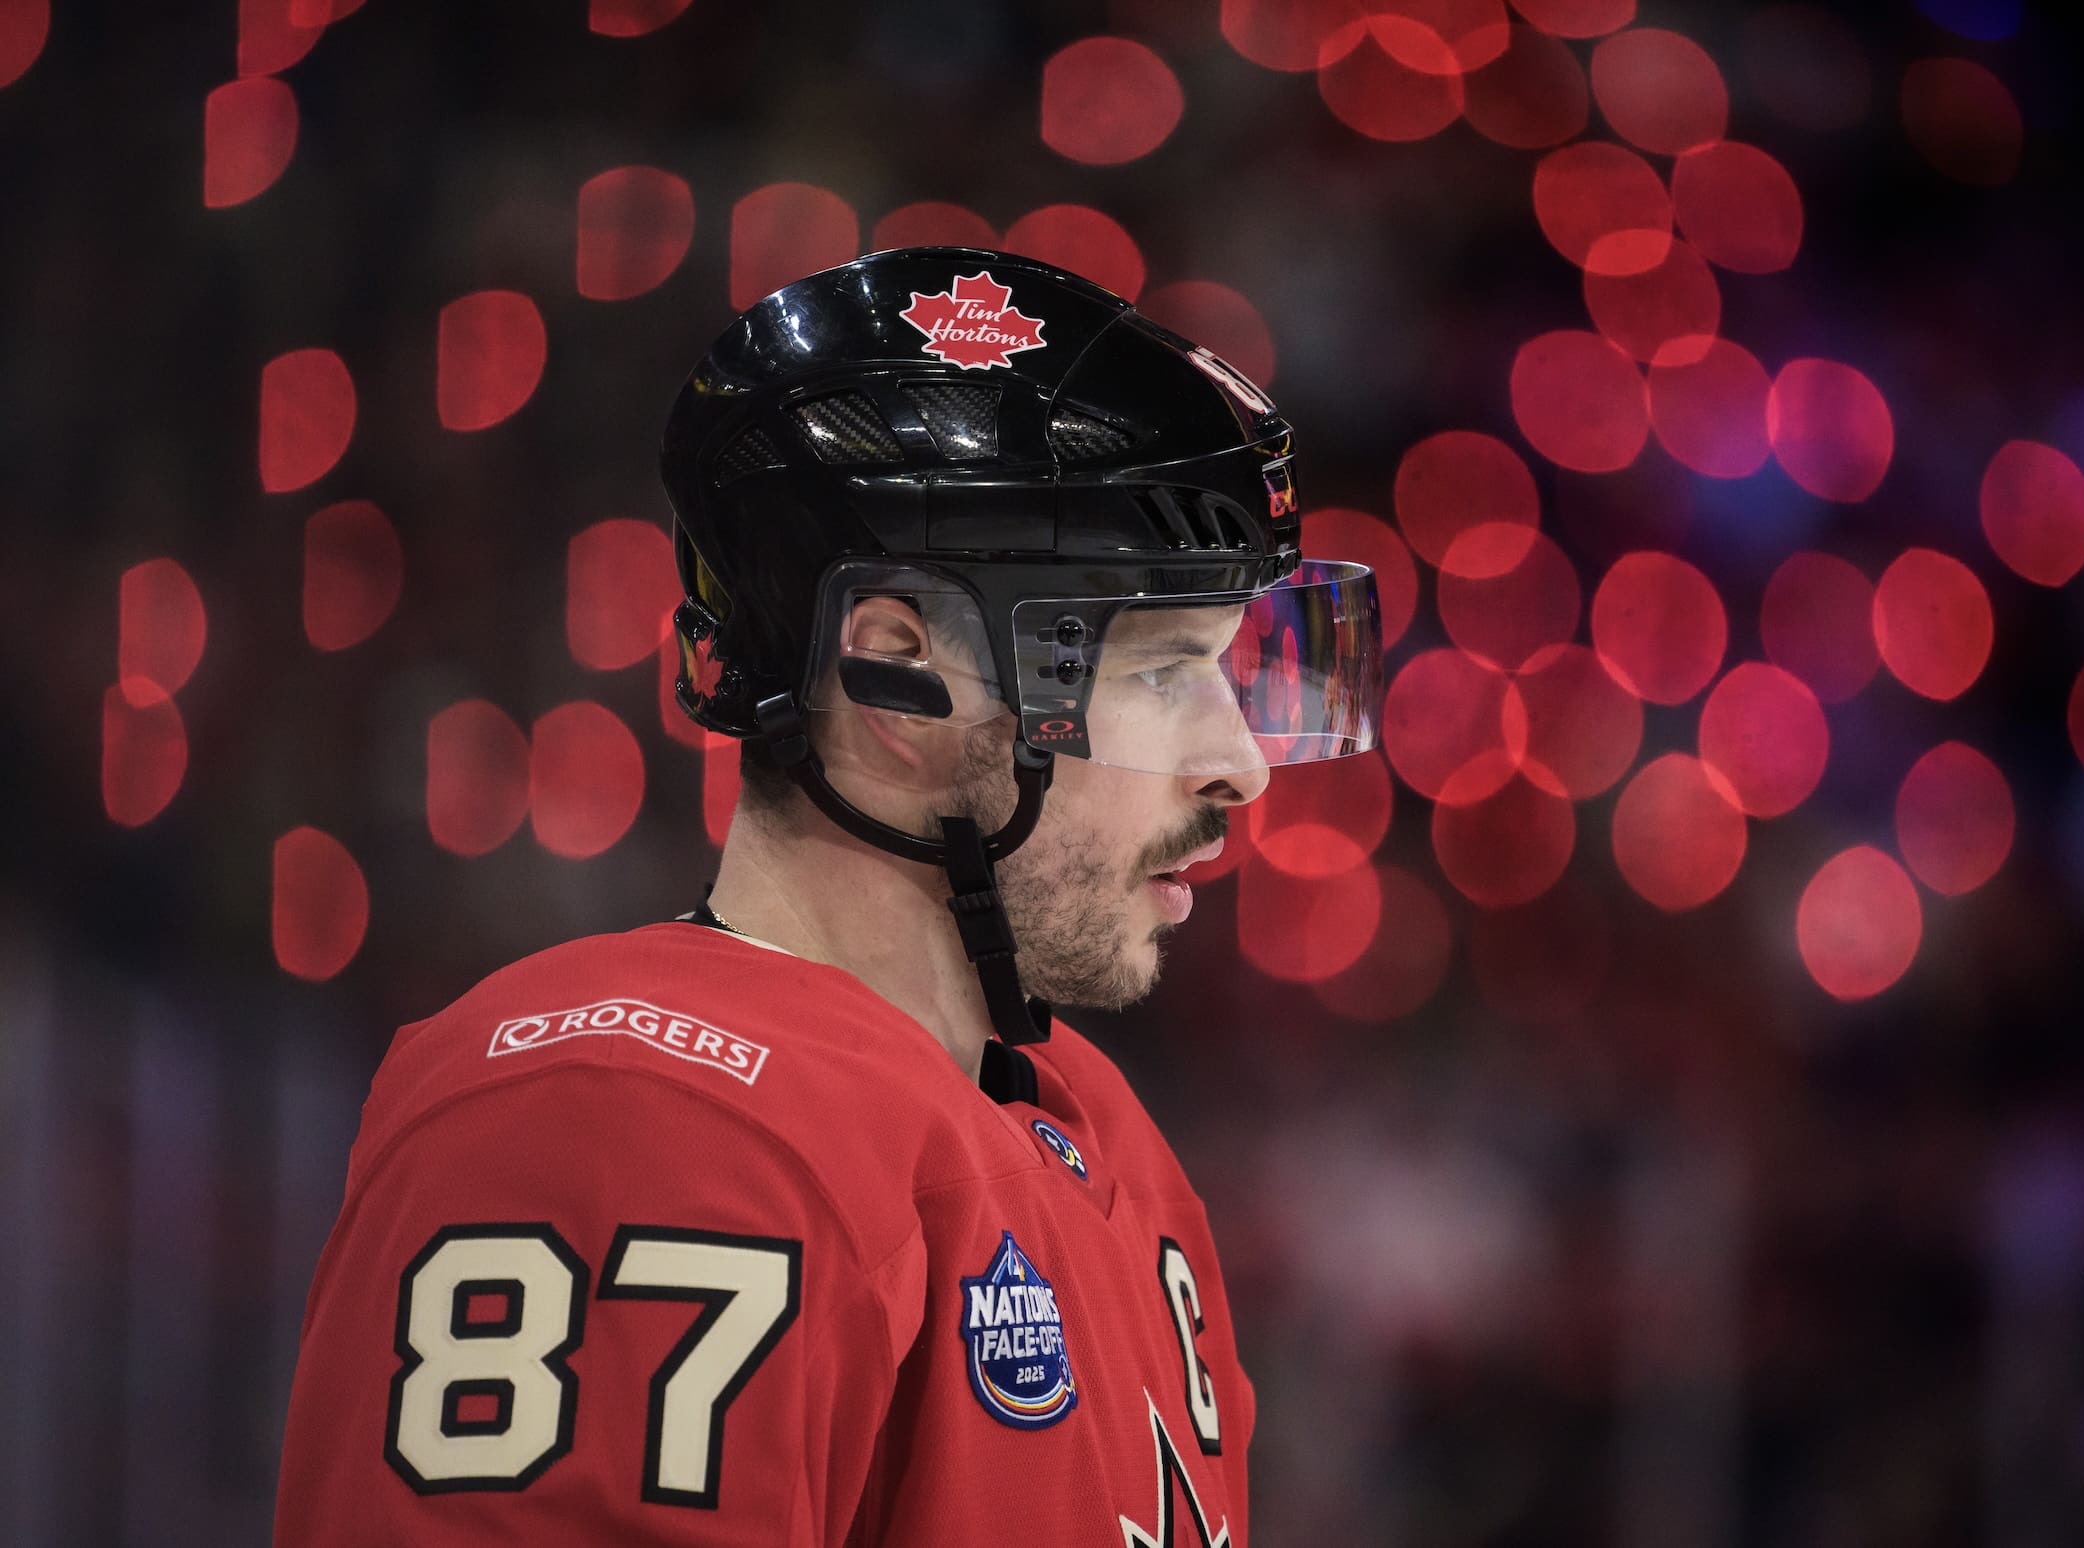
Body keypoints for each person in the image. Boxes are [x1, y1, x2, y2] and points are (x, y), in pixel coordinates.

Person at [273, 247, 1382, 1543]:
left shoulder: (1101, 1140)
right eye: (1160, 672)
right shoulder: (639, 1117)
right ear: (897, 675)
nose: (1242, 764)